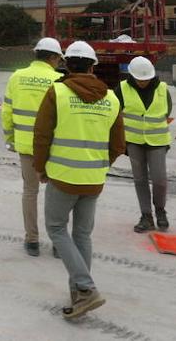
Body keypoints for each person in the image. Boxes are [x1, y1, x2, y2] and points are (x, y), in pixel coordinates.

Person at [33, 40, 125, 321]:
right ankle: (79, 293)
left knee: (57, 229)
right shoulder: (110, 98)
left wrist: (41, 168)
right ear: (93, 65)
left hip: (63, 176)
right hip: (94, 178)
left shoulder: (58, 92)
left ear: (66, 64)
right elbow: (118, 144)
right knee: (83, 234)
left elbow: (42, 135)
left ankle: (85, 288)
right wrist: (99, 164)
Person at [1, 37, 65, 256]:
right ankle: (59, 243)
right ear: (54, 57)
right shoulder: (60, 80)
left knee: (30, 192)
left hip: (26, 146)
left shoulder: (17, 77)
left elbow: (7, 112)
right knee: (57, 195)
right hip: (55, 148)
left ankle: (32, 241)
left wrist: (11, 138)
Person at [114, 55, 172, 233]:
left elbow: (168, 110)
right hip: (134, 142)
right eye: (139, 79)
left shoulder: (162, 88)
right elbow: (116, 113)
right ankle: (146, 216)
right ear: (132, 76)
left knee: (159, 179)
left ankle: (160, 211)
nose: (143, 82)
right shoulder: (122, 89)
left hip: (157, 141)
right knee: (140, 179)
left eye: (146, 79)